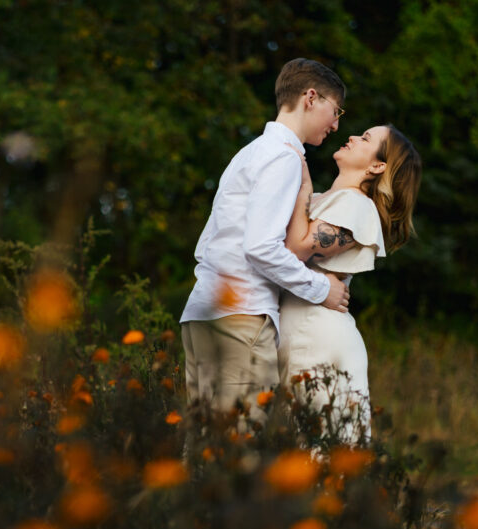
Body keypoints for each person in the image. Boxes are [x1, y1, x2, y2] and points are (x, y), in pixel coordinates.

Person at [180, 58, 351, 419]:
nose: (336, 125)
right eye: (335, 111)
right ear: (310, 98)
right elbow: (260, 248)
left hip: (203, 314)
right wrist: (322, 289)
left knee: (204, 440)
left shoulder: (250, 152)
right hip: (240, 318)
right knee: (244, 441)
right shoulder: (283, 158)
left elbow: (206, 243)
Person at [278, 124, 422, 443]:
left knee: (317, 451)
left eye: (366, 138)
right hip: (300, 330)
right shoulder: (324, 199)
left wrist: (303, 183)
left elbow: (296, 248)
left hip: (317, 337)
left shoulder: (356, 206)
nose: (353, 137)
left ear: (377, 166)